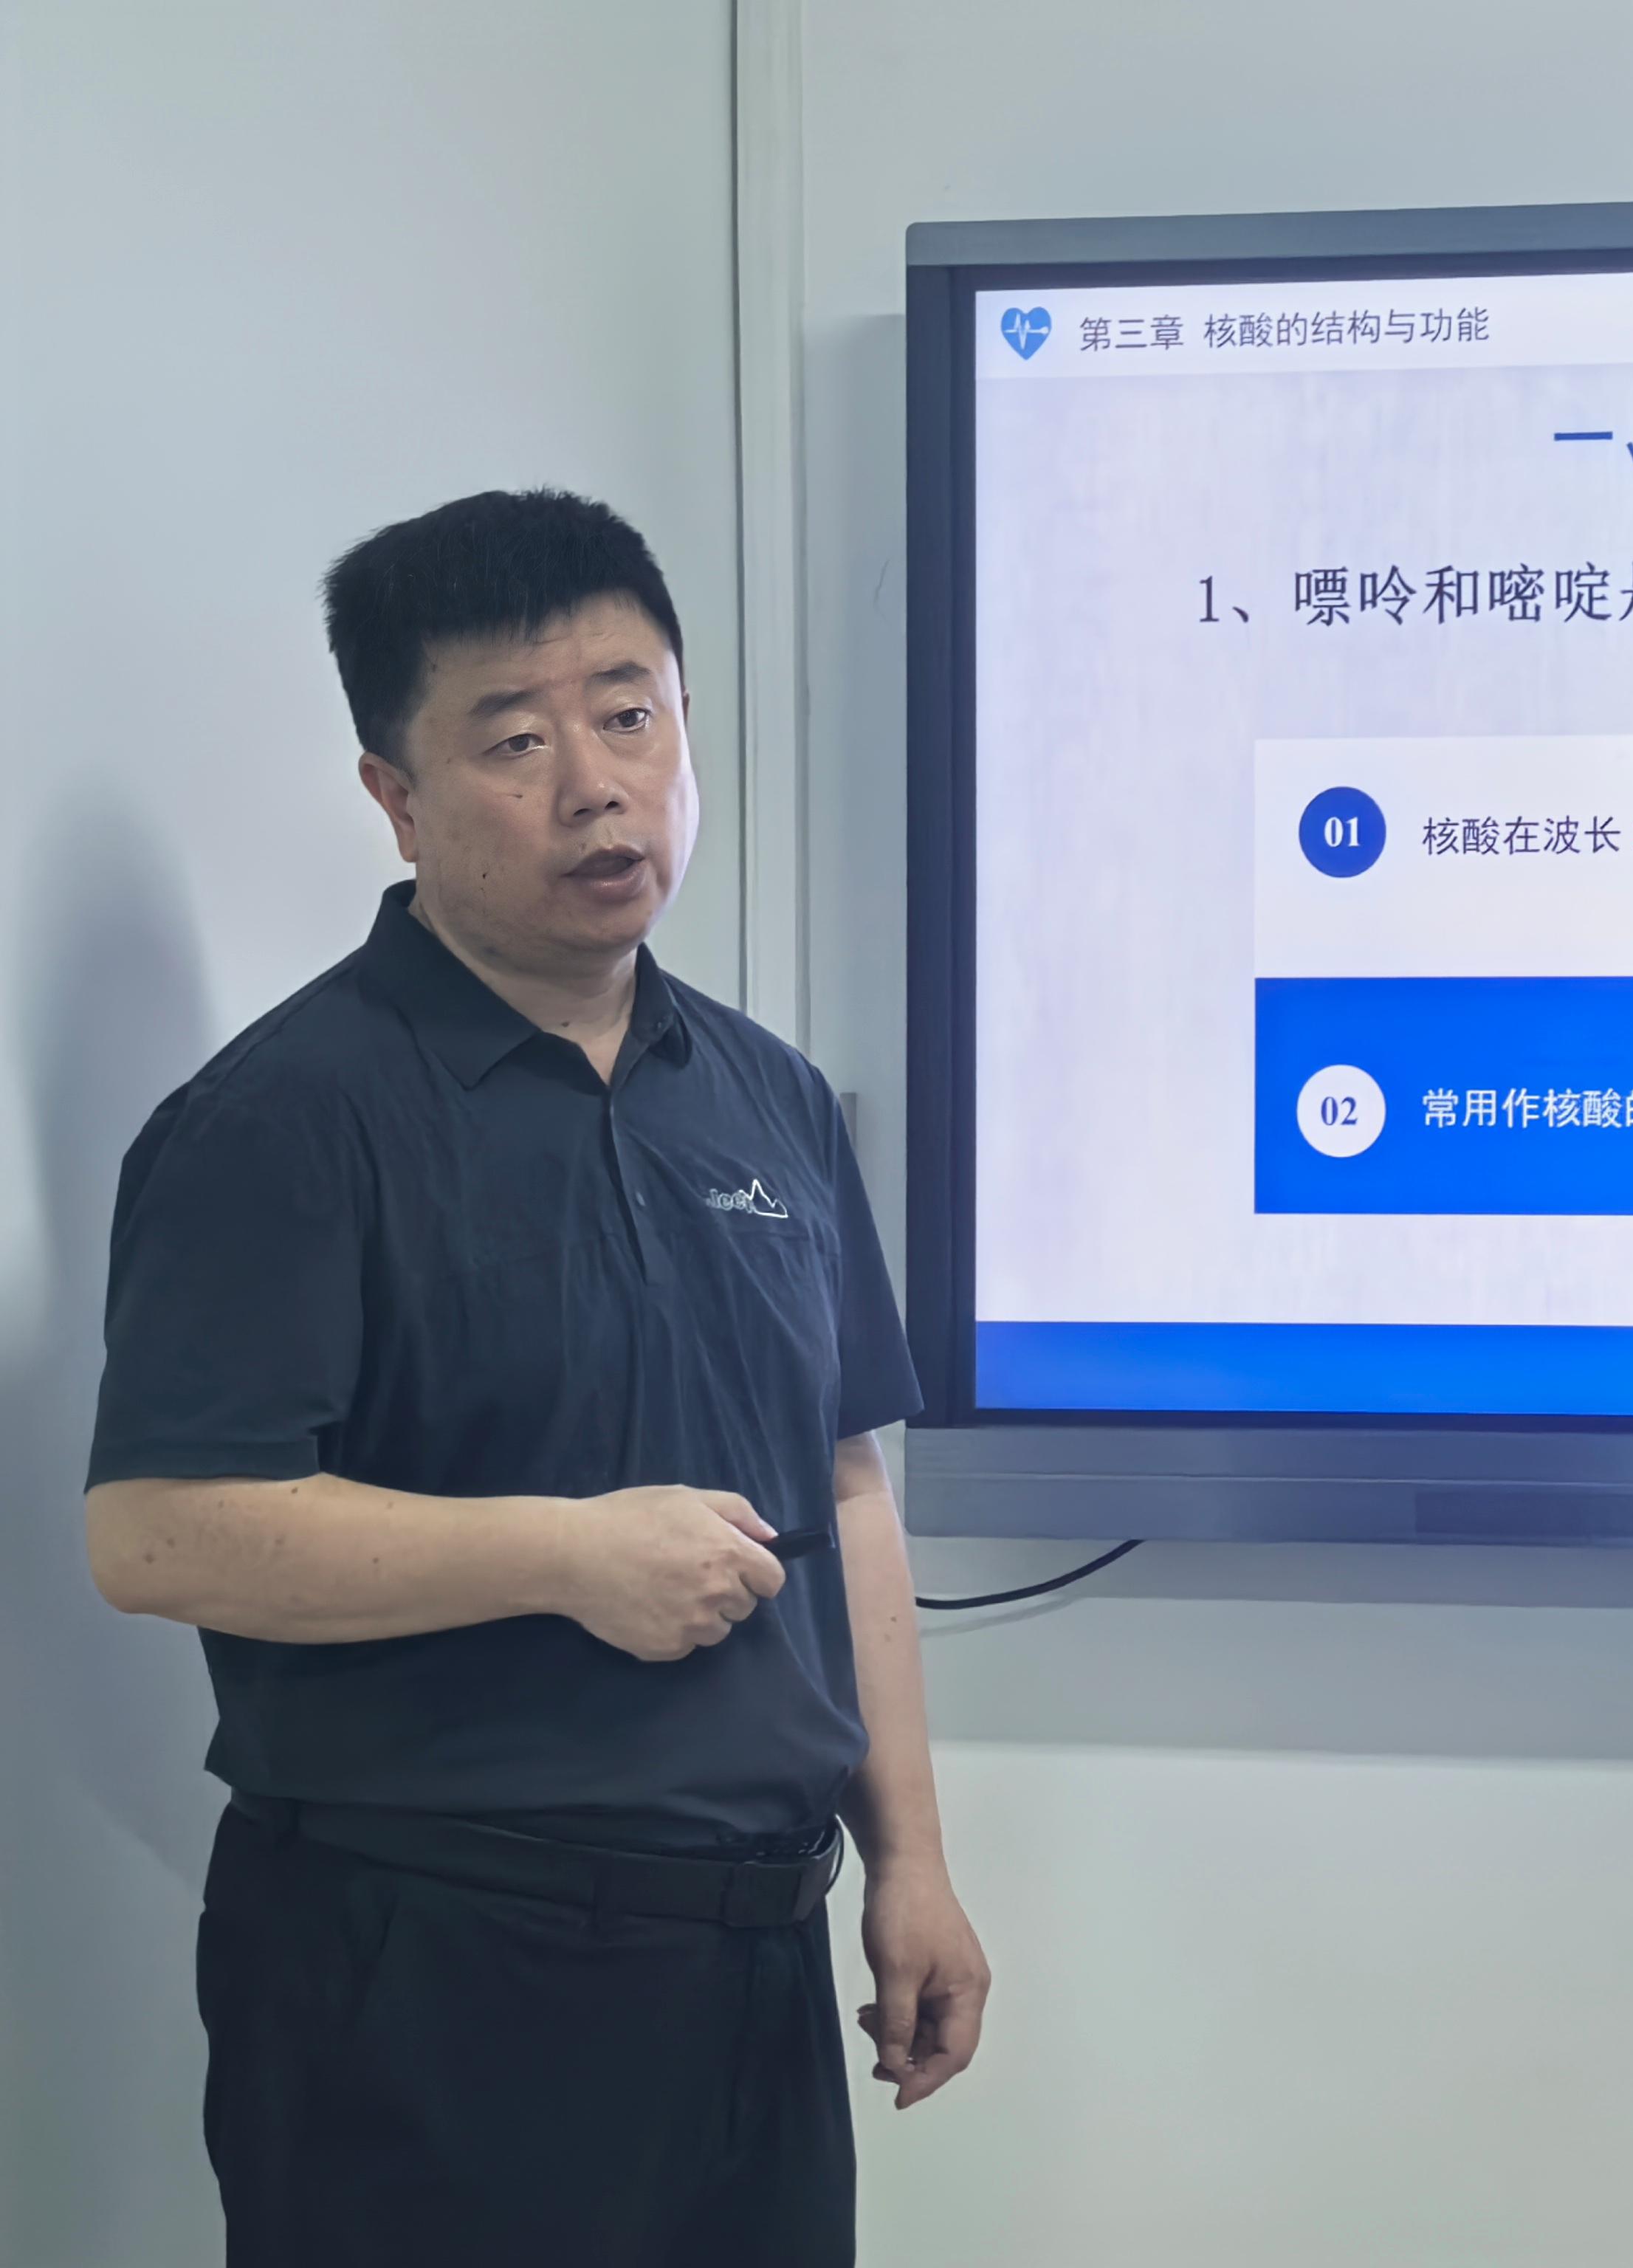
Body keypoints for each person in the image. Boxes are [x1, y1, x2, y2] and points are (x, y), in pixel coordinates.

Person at [82, 488, 986, 2267]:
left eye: (629, 715)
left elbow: (844, 1487)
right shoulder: (286, 1120)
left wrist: (911, 1862)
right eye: (514, 740)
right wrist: (561, 1556)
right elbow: (159, 1533)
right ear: (396, 796)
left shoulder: (772, 1101)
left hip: (751, 1961)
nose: (596, 787)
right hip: (429, 1970)